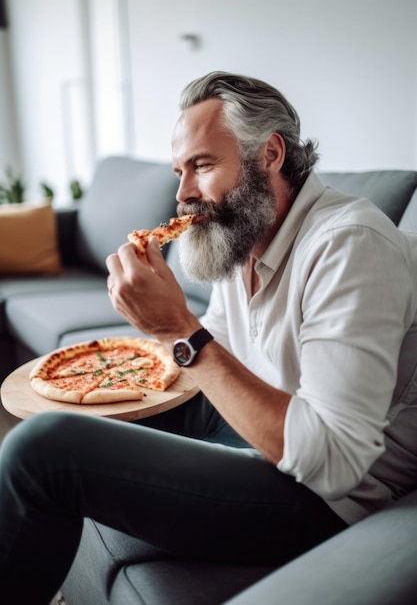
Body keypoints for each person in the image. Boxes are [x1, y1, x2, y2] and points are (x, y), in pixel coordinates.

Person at [1, 71, 417, 604]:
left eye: (202, 165)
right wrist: (137, 345)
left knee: (46, 448)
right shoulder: (245, 236)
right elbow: (213, 345)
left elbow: (333, 461)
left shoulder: (348, 245)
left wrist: (178, 328)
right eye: (179, 171)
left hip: (328, 497)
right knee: (76, 414)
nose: (181, 195)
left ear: (269, 154)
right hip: (257, 436)